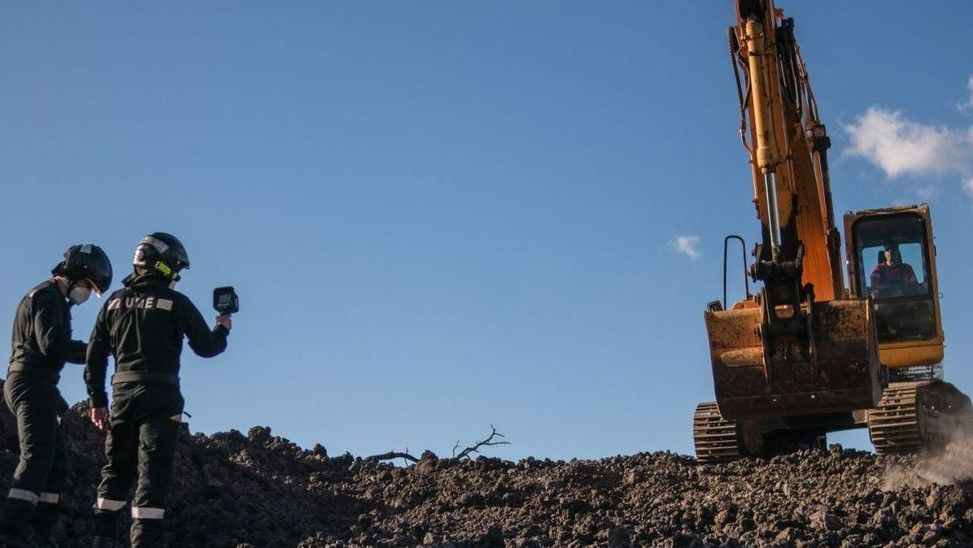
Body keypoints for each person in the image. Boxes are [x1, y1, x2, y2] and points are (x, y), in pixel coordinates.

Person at [84, 233, 231, 548]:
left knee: (116, 469)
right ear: (162, 263)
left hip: (121, 395)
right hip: (160, 397)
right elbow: (206, 348)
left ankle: (102, 539)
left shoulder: (113, 302)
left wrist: (97, 400)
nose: (176, 274)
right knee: (152, 472)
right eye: (175, 266)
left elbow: (94, 356)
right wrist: (222, 328)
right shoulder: (175, 303)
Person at [0, 245, 113, 548]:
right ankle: (11, 531)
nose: (86, 293)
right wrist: (96, 349)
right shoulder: (49, 297)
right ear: (76, 273)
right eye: (87, 285)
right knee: (37, 456)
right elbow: (53, 345)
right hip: (31, 383)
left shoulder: (50, 298)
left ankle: (42, 533)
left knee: (56, 463)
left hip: (38, 385)